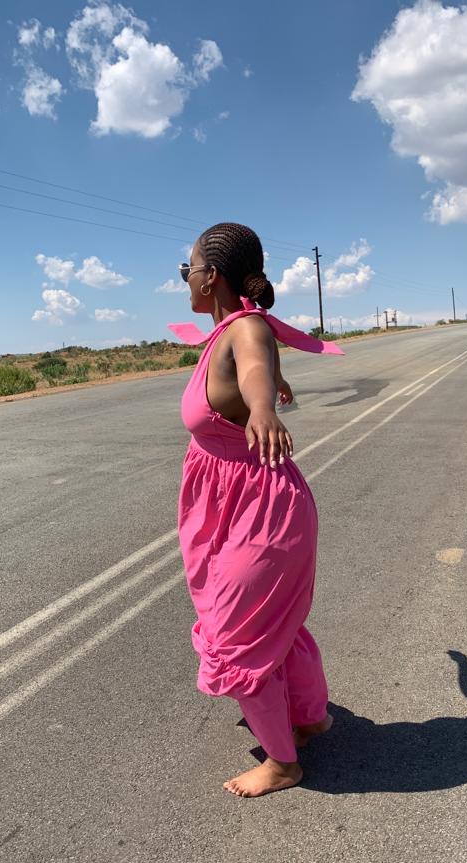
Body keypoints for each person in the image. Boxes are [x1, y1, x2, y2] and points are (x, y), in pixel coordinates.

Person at [171, 222, 341, 797]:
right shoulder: (237, 328)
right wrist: (271, 381)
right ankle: (310, 718)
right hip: (235, 507)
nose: (184, 279)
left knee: (236, 635)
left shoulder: (245, 328)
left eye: (187, 269)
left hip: (261, 512)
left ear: (210, 276)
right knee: (275, 628)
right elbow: (254, 359)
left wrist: (264, 406)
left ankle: (283, 763)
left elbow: (252, 369)